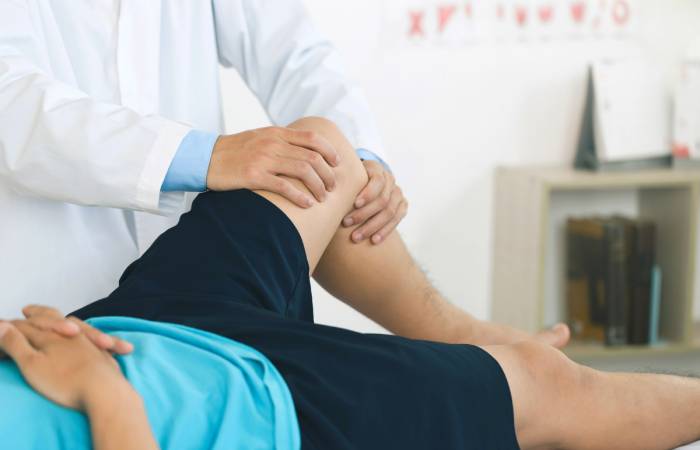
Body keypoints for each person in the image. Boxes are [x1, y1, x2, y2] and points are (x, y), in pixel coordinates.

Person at [2, 117, 700, 450]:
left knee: (319, 155)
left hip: (135, 323)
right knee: (552, 390)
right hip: (264, 415)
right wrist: (95, 387)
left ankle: (469, 336)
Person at [0, 0, 405, 316]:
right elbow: (12, 105)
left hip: (198, 291)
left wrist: (362, 161)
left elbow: (296, 53)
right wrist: (206, 155)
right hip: (43, 301)